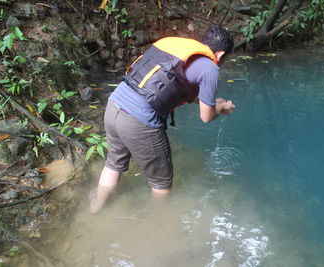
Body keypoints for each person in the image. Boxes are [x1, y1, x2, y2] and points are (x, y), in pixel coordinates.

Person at [90, 25, 235, 213]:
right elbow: (206, 117)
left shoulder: (176, 47)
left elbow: (167, 86)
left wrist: (212, 103)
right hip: (138, 120)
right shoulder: (210, 68)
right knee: (162, 184)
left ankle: (95, 207)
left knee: (113, 164)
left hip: (114, 105)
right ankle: (156, 223)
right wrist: (221, 108)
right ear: (221, 54)